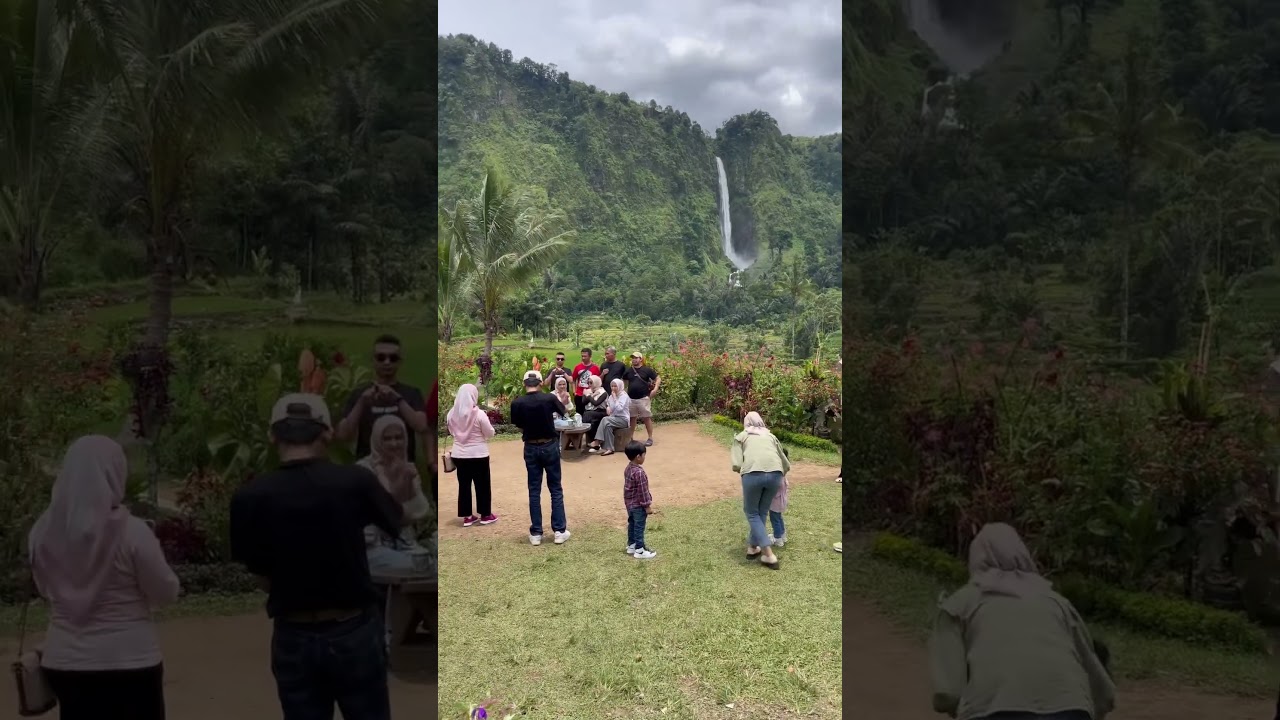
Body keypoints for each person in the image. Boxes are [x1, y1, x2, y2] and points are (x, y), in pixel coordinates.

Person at [229, 393, 406, 720]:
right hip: (354, 629)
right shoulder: (354, 481)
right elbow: (398, 522)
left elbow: (260, 577)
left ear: (272, 436)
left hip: (293, 635)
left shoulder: (249, 497)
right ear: (326, 432)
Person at [29, 435, 180, 720]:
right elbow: (165, 591)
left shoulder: (42, 531)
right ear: (115, 472)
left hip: (65, 659)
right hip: (130, 659)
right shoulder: (132, 532)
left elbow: (45, 588)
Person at [928, 523, 1115, 720]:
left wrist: (956, 708)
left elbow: (948, 692)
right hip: (1071, 710)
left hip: (993, 711)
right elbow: (1097, 679)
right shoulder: (1056, 602)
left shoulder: (958, 605)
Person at [359, 415, 433, 574]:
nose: (394, 444)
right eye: (387, 439)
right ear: (377, 440)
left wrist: (406, 480)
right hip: (375, 546)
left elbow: (421, 510)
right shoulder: (363, 470)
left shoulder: (408, 468)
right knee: (416, 567)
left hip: (406, 542)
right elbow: (387, 513)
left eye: (398, 437)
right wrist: (402, 483)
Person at [337, 334, 428, 461]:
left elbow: (421, 426)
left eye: (393, 358)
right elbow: (343, 435)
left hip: (402, 470)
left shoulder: (411, 393)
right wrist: (361, 403)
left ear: (399, 361)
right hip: (368, 470)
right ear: (373, 360)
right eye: (381, 357)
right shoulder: (359, 394)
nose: (387, 362)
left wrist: (398, 400)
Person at [509, 375, 571, 546]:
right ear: (541, 383)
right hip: (549, 445)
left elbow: (518, 424)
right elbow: (563, 412)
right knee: (555, 488)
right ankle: (559, 531)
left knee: (534, 490)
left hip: (530, 446)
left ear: (524, 384)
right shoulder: (549, 398)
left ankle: (536, 532)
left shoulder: (517, 403)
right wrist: (564, 401)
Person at [731, 412, 789, 569]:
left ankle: (768, 554)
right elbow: (785, 461)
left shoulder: (741, 436)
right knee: (761, 512)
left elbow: (736, 464)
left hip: (753, 475)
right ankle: (752, 547)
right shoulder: (770, 436)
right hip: (776, 475)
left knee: (751, 512)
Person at [448, 383, 497, 527]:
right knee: (482, 485)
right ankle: (485, 515)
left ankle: (467, 516)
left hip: (458, 454)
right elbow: (489, 433)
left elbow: (452, 432)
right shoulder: (479, 414)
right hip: (478, 454)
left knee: (464, 485)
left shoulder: (451, 413)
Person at [621, 441, 656, 559]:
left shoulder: (628, 468)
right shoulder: (639, 472)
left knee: (632, 524)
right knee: (639, 526)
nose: (644, 457)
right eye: (644, 455)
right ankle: (640, 550)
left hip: (629, 504)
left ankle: (632, 545)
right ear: (638, 456)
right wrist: (647, 506)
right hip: (638, 505)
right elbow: (643, 491)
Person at [623, 351, 660, 446]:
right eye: (633, 358)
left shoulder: (647, 370)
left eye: (636, 358)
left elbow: (658, 378)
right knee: (632, 418)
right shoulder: (629, 370)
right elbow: (624, 381)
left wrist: (655, 389)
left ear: (640, 359)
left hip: (643, 398)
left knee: (646, 418)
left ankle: (650, 437)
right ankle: (630, 437)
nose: (634, 359)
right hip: (631, 399)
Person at [589, 378, 631, 456]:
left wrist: (615, 398)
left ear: (620, 386)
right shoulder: (611, 396)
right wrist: (608, 407)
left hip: (623, 420)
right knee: (608, 426)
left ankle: (597, 441)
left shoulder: (624, 396)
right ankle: (610, 449)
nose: (613, 388)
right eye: (612, 386)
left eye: (615, 386)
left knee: (605, 419)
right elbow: (608, 405)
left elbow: (619, 409)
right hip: (613, 419)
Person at [570, 347, 600, 415]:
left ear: (590, 356)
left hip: (589, 395)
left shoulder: (595, 368)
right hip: (579, 394)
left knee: (588, 413)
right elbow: (573, 380)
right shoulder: (577, 367)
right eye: (582, 356)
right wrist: (574, 392)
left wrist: (594, 393)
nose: (583, 358)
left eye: (585, 356)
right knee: (579, 414)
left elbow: (598, 382)